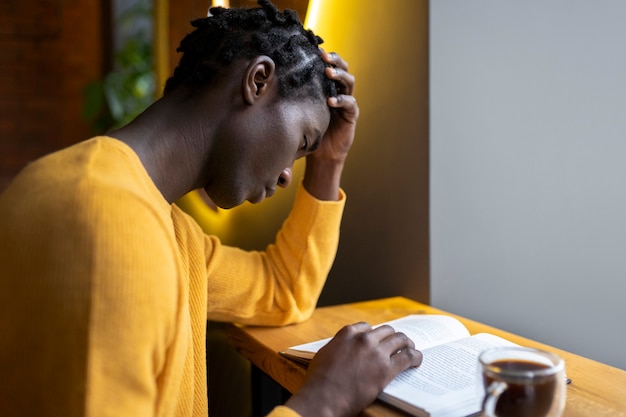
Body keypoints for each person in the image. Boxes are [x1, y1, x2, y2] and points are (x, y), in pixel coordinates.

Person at [0, 1, 422, 416]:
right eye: (302, 143)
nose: (285, 177)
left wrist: (328, 162)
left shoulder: (165, 226)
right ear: (258, 81)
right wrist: (323, 402)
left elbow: (283, 291)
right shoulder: (101, 217)